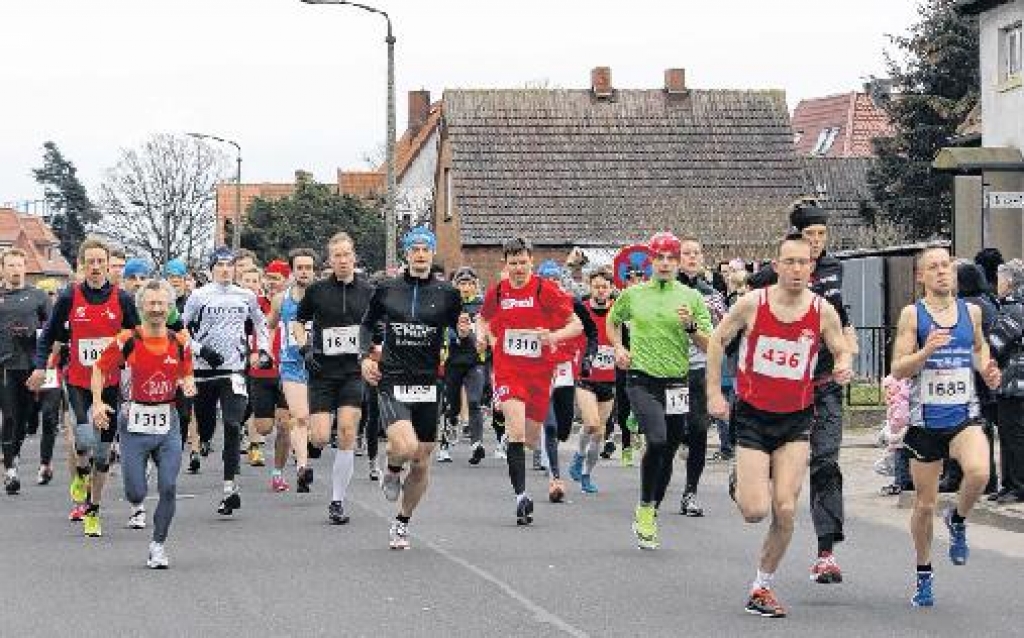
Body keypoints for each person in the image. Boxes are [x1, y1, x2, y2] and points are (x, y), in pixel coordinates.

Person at [706, 234, 852, 618]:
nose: (797, 269)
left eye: (804, 263)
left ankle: (761, 587)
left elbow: (840, 346)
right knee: (755, 511)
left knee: (785, 510)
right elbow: (717, 341)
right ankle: (742, 482)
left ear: (811, 267)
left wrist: (842, 365)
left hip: (796, 418)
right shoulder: (753, 303)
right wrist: (713, 395)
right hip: (753, 416)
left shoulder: (822, 311)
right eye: (789, 262)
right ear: (776, 265)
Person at [891, 246, 1001, 608]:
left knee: (979, 472)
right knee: (924, 505)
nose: (942, 272)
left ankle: (958, 517)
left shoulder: (971, 312)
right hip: (925, 422)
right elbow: (898, 369)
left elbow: (979, 349)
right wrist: (925, 353)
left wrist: (986, 367)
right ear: (921, 276)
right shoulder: (913, 315)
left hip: (963, 415)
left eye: (947, 266)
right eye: (934, 267)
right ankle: (924, 575)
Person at [29, 238, 141, 534]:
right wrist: (41, 367)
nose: (94, 267)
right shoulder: (69, 297)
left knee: (103, 454)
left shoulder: (123, 299)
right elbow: (47, 336)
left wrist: (139, 365)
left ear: (107, 264)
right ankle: (80, 475)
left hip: (110, 383)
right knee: (83, 441)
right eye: (89, 262)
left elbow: (136, 338)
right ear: (81, 265)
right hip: (78, 380)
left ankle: (94, 510)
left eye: (99, 262)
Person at [608, 232, 712, 549]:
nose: (665, 264)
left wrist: (691, 327)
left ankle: (651, 509)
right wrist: (617, 348)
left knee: (668, 451)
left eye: (671, 258)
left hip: (677, 382)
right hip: (641, 378)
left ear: (678, 261)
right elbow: (613, 321)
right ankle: (643, 505)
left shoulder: (691, 298)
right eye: (660, 258)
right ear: (651, 261)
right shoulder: (634, 294)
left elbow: (710, 345)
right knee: (657, 439)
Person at [360, 227, 462, 548]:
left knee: (420, 460)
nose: (420, 254)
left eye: (426, 249)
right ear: (407, 254)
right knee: (404, 446)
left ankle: (402, 522)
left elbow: (459, 331)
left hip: (429, 382)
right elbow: (366, 325)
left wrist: (464, 332)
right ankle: (391, 469)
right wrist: (365, 357)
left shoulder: (447, 293)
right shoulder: (387, 288)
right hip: (393, 377)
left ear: (432, 255)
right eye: (415, 249)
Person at [91, 280, 196, 569]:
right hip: (133, 424)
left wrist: (187, 384)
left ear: (171, 307)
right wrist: (98, 402)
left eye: (162, 303)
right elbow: (99, 370)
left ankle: (158, 545)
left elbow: (187, 373)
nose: (157, 309)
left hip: (168, 423)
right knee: (136, 493)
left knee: (169, 487)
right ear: (140, 307)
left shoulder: (180, 341)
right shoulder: (127, 340)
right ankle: (138, 487)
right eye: (151, 303)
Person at [477, 237, 581, 526]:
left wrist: (552, 337)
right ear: (505, 264)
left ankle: (525, 466)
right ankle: (521, 497)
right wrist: (486, 336)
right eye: (513, 263)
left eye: (523, 262)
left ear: (531, 261)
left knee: (531, 438)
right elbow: (483, 320)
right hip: (508, 369)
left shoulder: (544, 289)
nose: (518, 268)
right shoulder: (498, 292)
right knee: (517, 431)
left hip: (539, 373)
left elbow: (576, 325)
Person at [183, 246, 271, 516]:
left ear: (234, 269)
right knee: (207, 426)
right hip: (203, 370)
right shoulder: (198, 296)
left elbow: (261, 324)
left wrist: (263, 350)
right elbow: (180, 331)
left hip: (233, 370)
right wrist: (201, 350)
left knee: (233, 424)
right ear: (211, 269)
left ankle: (230, 488)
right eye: (219, 265)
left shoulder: (245, 296)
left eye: (228, 265)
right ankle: (206, 440)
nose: (224, 270)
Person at [295, 233, 373, 524]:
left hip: (353, 371)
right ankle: (311, 453)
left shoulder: (368, 290)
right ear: (330, 260)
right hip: (322, 372)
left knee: (348, 432)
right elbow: (298, 323)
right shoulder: (316, 291)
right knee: (319, 435)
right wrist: (304, 348)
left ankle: (337, 500)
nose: (342, 260)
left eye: (346, 255)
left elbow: (378, 326)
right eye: (336, 256)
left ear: (354, 257)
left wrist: (372, 352)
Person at [676, 237, 728, 516]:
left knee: (699, 429)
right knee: (669, 431)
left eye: (696, 253)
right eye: (686, 253)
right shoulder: (666, 289)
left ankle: (690, 492)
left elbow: (721, 329)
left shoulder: (711, 292)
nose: (692, 258)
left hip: (699, 368)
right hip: (669, 368)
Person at [1, 249, 52, 495]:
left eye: (19, 265)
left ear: (25, 268)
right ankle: (10, 470)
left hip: (32, 367)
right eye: (10, 265)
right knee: (9, 415)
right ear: (3, 269)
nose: (15, 269)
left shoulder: (39, 296)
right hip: (5, 366)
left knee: (27, 418)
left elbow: (51, 328)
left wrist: (40, 343)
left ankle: (15, 454)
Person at [268, 249, 318, 492]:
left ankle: (308, 451)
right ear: (292, 270)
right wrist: (266, 352)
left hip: (319, 365)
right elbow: (269, 326)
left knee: (316, 426)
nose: (304, 271)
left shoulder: (323, 297)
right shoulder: (281, 299)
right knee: (299, 417)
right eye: (300, 267)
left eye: (308, 267)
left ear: (314, 270)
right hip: (291, 364)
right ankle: (302, 466)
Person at [570, 268, 618, 494]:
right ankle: (578, 457)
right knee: (591, 423)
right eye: (596, 286)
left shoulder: (617, 313)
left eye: (604, 287)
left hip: (608, 379)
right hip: (585, 376)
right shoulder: (582, 310)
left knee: (599, 433)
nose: (600, 291)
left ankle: (587, 474)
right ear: (591, 287)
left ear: (610, 289)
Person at [985, 258, 1024, 504]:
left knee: (1014, 436)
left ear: (1009, 282)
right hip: (1011, 384)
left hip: (1015, 383)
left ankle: (1017, 485)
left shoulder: (1014, 309)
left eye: (1000, 280)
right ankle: (1008, 483)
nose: (997, 284)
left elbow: (996, 343)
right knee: (1009, 435)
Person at [442, 267, 488, 466]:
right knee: (451, 407)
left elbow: (489, 329)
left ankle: (476, 444)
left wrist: (483, 340)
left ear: (475, 285)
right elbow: (441, 330)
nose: (466, 288)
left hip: (475, 361)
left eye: (470, 283)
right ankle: (444, 445)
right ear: (456, 286)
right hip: (453, 361)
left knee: (475, 401)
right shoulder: (448, 305)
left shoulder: (482, 306)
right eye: (462, 283)